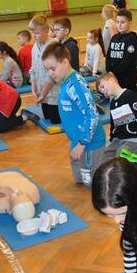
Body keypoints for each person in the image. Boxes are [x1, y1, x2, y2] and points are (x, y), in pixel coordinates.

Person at [42, 42, 106, 187]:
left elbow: (92, 115)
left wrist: (82, 144)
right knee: (80, 179)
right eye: (47, 70)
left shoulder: (76, 84)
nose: (50, 73)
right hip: (77, 141)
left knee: (93, 185)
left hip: (89, 144)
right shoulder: (65, 81)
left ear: (65, 63)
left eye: (52, 68)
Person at [96, 72, 137, 159]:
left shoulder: (130, 96)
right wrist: (112, 141)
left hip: (133, 140)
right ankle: (135, 152)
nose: (103, 91)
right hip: (118, 140)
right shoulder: (113, 103)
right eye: (101, 91)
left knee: (120, 159)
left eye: (103, 86)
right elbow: (113, 125)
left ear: (111, 80)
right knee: (102, 160)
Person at [29, 15, 60, 124]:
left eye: (37, 33)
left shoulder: (53, 47)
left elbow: (52, 76)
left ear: (46, 31)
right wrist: (34, 89)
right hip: (42, 92)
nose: (34, 36)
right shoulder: (34, 47)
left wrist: (43, 94)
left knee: (55, 120)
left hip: (53, 92)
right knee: (47, 118)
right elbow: (33, 69)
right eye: (32, 33)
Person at [106, 9, 137, 94]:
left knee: (127, 96)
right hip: (114, 75)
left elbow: (127, 60)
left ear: (130, 23)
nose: (119, 25)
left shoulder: (132, 38)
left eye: (122, 22)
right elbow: (108, 56)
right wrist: (109, 71)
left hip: (127, 76)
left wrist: (114, 73)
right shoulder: (114, 37)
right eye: (117, 22)